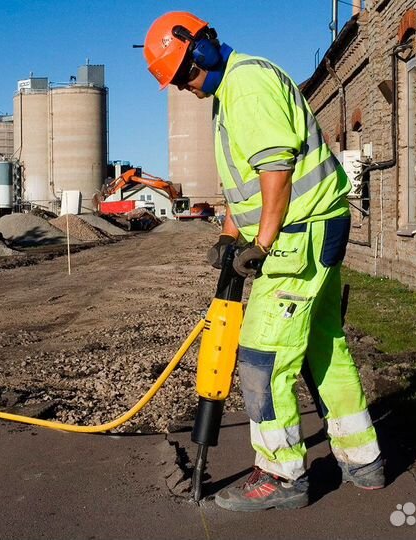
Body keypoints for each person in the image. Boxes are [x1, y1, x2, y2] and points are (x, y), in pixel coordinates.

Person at [143, 12, 384, 512]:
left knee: (261, 357)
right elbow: (245, 180)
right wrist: (232, 237)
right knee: (324, 347)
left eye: (185, 74)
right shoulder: (232, 90)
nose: (185, 88)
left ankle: (282, 475)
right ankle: (364, 461)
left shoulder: (246, 86)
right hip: (314, 228)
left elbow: (276, 168)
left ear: (203, 49)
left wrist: (262, 243)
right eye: (176, 82)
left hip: (297, 235)